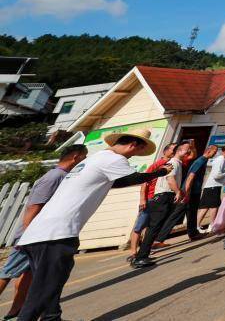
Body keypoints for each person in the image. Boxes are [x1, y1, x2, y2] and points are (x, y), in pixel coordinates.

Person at [16, 129, 167, 321]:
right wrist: (160, 172)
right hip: (57, 233)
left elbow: (113, 183)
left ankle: (52, 318)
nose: (133, 156)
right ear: (133, 145)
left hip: (39, 233)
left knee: (50, 286)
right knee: (44, 290)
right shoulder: (114, 159)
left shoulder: (94, 160)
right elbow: (132, 178)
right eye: (136, 152)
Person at [0, 145, 87, 320]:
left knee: (32, 275)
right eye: (84, 157)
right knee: (8, 273)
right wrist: (26, 236)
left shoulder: (64, 176)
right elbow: (33, 208)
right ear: (76, 157)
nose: (85, 161)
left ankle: (17, 309)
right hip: (31, 236)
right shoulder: (54, 177)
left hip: (42, 235)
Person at [131, 141, 190, 267]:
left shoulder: (177, 163)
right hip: (163, 196)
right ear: (179, 151)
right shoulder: (173, 162)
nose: (189, 151)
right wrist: (178, 192)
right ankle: (140, 257)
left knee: (154, 228)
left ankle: (143, 255)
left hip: (164, 197)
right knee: (153, 227)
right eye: (186, 149)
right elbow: (170, 178)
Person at [128, 143, 175, 261]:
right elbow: (145, 181)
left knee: (150, 226)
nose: (175, 150)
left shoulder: (172, 164)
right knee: (139, 226)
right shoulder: (156, 165)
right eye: (173, 148)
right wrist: (142, 199)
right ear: (165, 151)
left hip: (157, 200)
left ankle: (144, 250)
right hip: (149, 199)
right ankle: (133, 252)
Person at [198, 145, 225, 232]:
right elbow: (216, 175)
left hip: (213, 186)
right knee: (212, 207)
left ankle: (203, 225)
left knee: (207, 207)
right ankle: (210, 224)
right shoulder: (220, 159)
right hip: (213, 186)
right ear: (223, 151)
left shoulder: (221, 159)